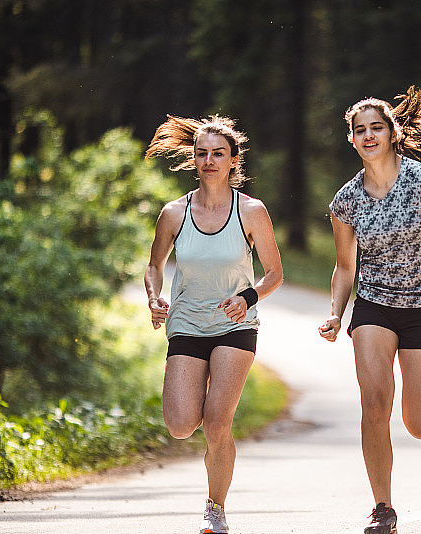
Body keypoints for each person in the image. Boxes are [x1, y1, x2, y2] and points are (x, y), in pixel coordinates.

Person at [318, 86, 421, 534]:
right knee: (373, 403)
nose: (368, 135)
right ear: (351, 139)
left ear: (393, 132)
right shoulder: (345, 200)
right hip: (374, 306)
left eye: (377, 127)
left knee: (414, 421)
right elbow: (345, 266)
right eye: (360, 130)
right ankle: (383, 509)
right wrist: (336, 312)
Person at [144, 114, 283, 534]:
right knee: (181, 424)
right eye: (202, 153)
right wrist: (154, 296)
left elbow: (275, 273)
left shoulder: (251, 211)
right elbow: (154, 265)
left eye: (218, 154)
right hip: (186, 323)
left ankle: (215, 509)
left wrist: (248, 297)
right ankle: (205, 418)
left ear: (233, 160)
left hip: (234, 325)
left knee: (218, 422)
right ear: (194, 159)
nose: (209, 161)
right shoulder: (174, 213)